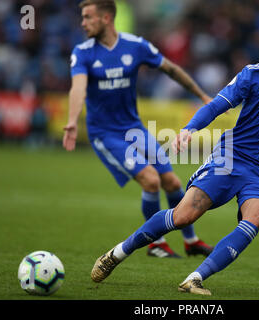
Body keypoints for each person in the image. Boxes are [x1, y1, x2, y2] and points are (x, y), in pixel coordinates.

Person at [90, 11, 259, 295]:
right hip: (231, 158)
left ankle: (194, 278)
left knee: (257, 216)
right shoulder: (253, 74)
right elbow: (217, 106)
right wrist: (191, 128)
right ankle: (116, 254)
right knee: (183, 217)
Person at [63, 0, 214, 258]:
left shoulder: (136, 46)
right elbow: (78, 87)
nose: (83, 22)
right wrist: (72, 121)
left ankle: (191, 241)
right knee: (151, 180)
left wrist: (202, 95)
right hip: (106, 135)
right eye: (83, 17)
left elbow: (172, 69)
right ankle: (156, 244)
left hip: (134, 129)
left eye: (88, 17)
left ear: (106, 18)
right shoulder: (83, 52)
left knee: (172, 181)